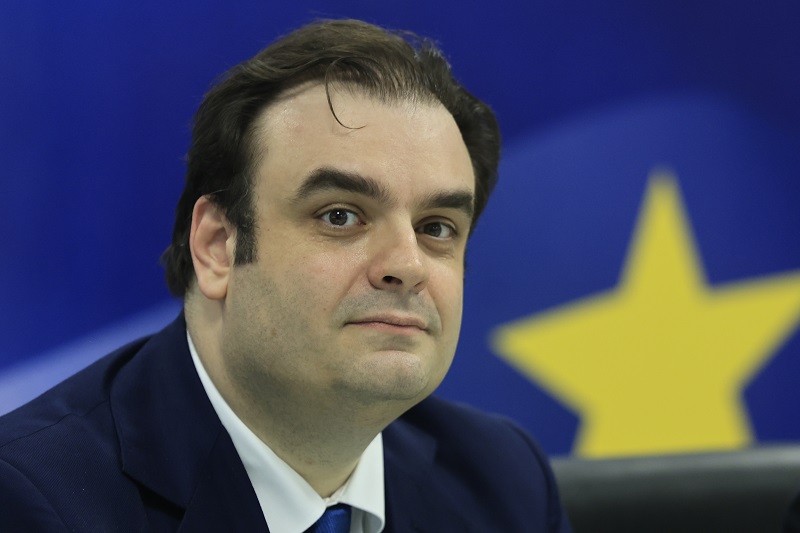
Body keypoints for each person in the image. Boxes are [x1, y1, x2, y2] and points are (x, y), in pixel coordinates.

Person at [0, 19, 571, 532]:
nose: (407, 265)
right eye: (340, 216)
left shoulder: (505, 482)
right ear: (218, 247)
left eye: (437, 227)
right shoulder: (33, 500)